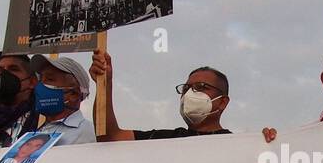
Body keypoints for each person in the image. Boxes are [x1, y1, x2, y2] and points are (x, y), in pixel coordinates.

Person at [90, 53, 233, 140]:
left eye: (201, 87)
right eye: (186, 88)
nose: (190, 94)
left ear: (222, 102)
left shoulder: (238, 146)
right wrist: (104, 83)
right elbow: (110, 137)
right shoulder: (164, 139)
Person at [32, 55, 96, 144]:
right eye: (40, 79)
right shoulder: (33, 132)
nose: (40, 85)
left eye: (49, 79)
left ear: (74, 94)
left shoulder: (88, 133)